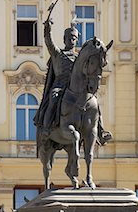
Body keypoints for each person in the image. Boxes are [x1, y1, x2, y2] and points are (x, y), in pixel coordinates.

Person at [34, 17, 111, 146]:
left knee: (94, 102)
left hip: (77, 88)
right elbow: (49, 42)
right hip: (60, 86)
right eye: (69, 38)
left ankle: (101, 131)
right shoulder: (58, 54)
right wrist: (48, 29)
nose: (71, 41)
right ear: (64, 40)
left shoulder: (79, 58)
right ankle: (46, 128)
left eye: (74, 39)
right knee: (53, 97)